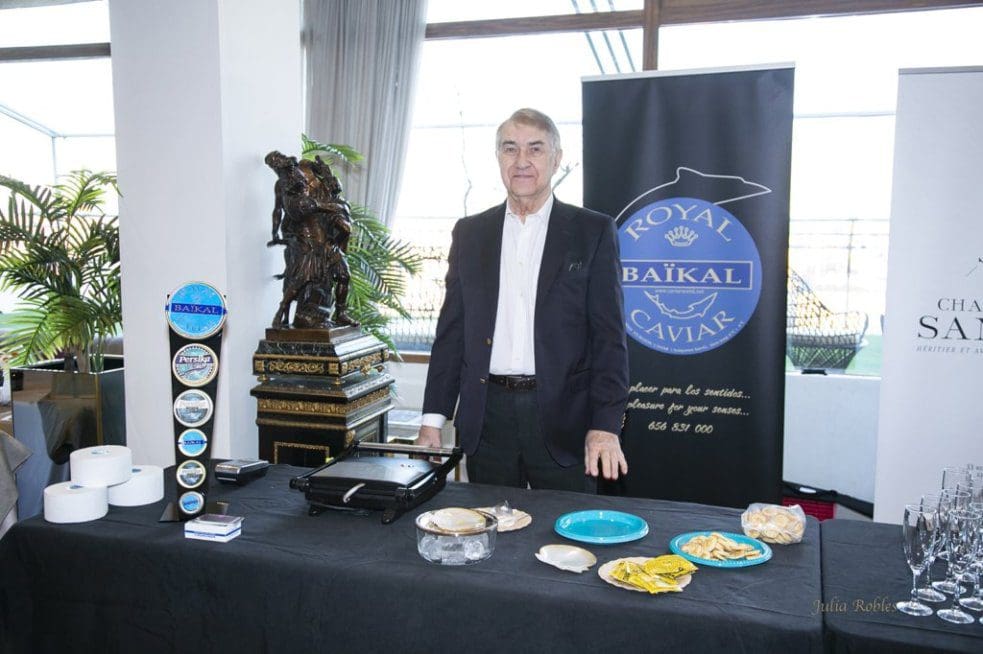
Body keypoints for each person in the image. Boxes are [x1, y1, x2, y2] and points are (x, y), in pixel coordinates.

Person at [417, 108, 629, 491]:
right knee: (488, 524)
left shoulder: (593, 231)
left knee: (565, 529)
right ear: (498, 157)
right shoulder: (470, 233)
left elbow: (609, 338)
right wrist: (432, 421)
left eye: (535, 148)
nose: (522, 161)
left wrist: (605, 425)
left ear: (556, 158)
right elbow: (452, 333)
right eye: (510, 148)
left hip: (565, 423)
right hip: (487, 420)